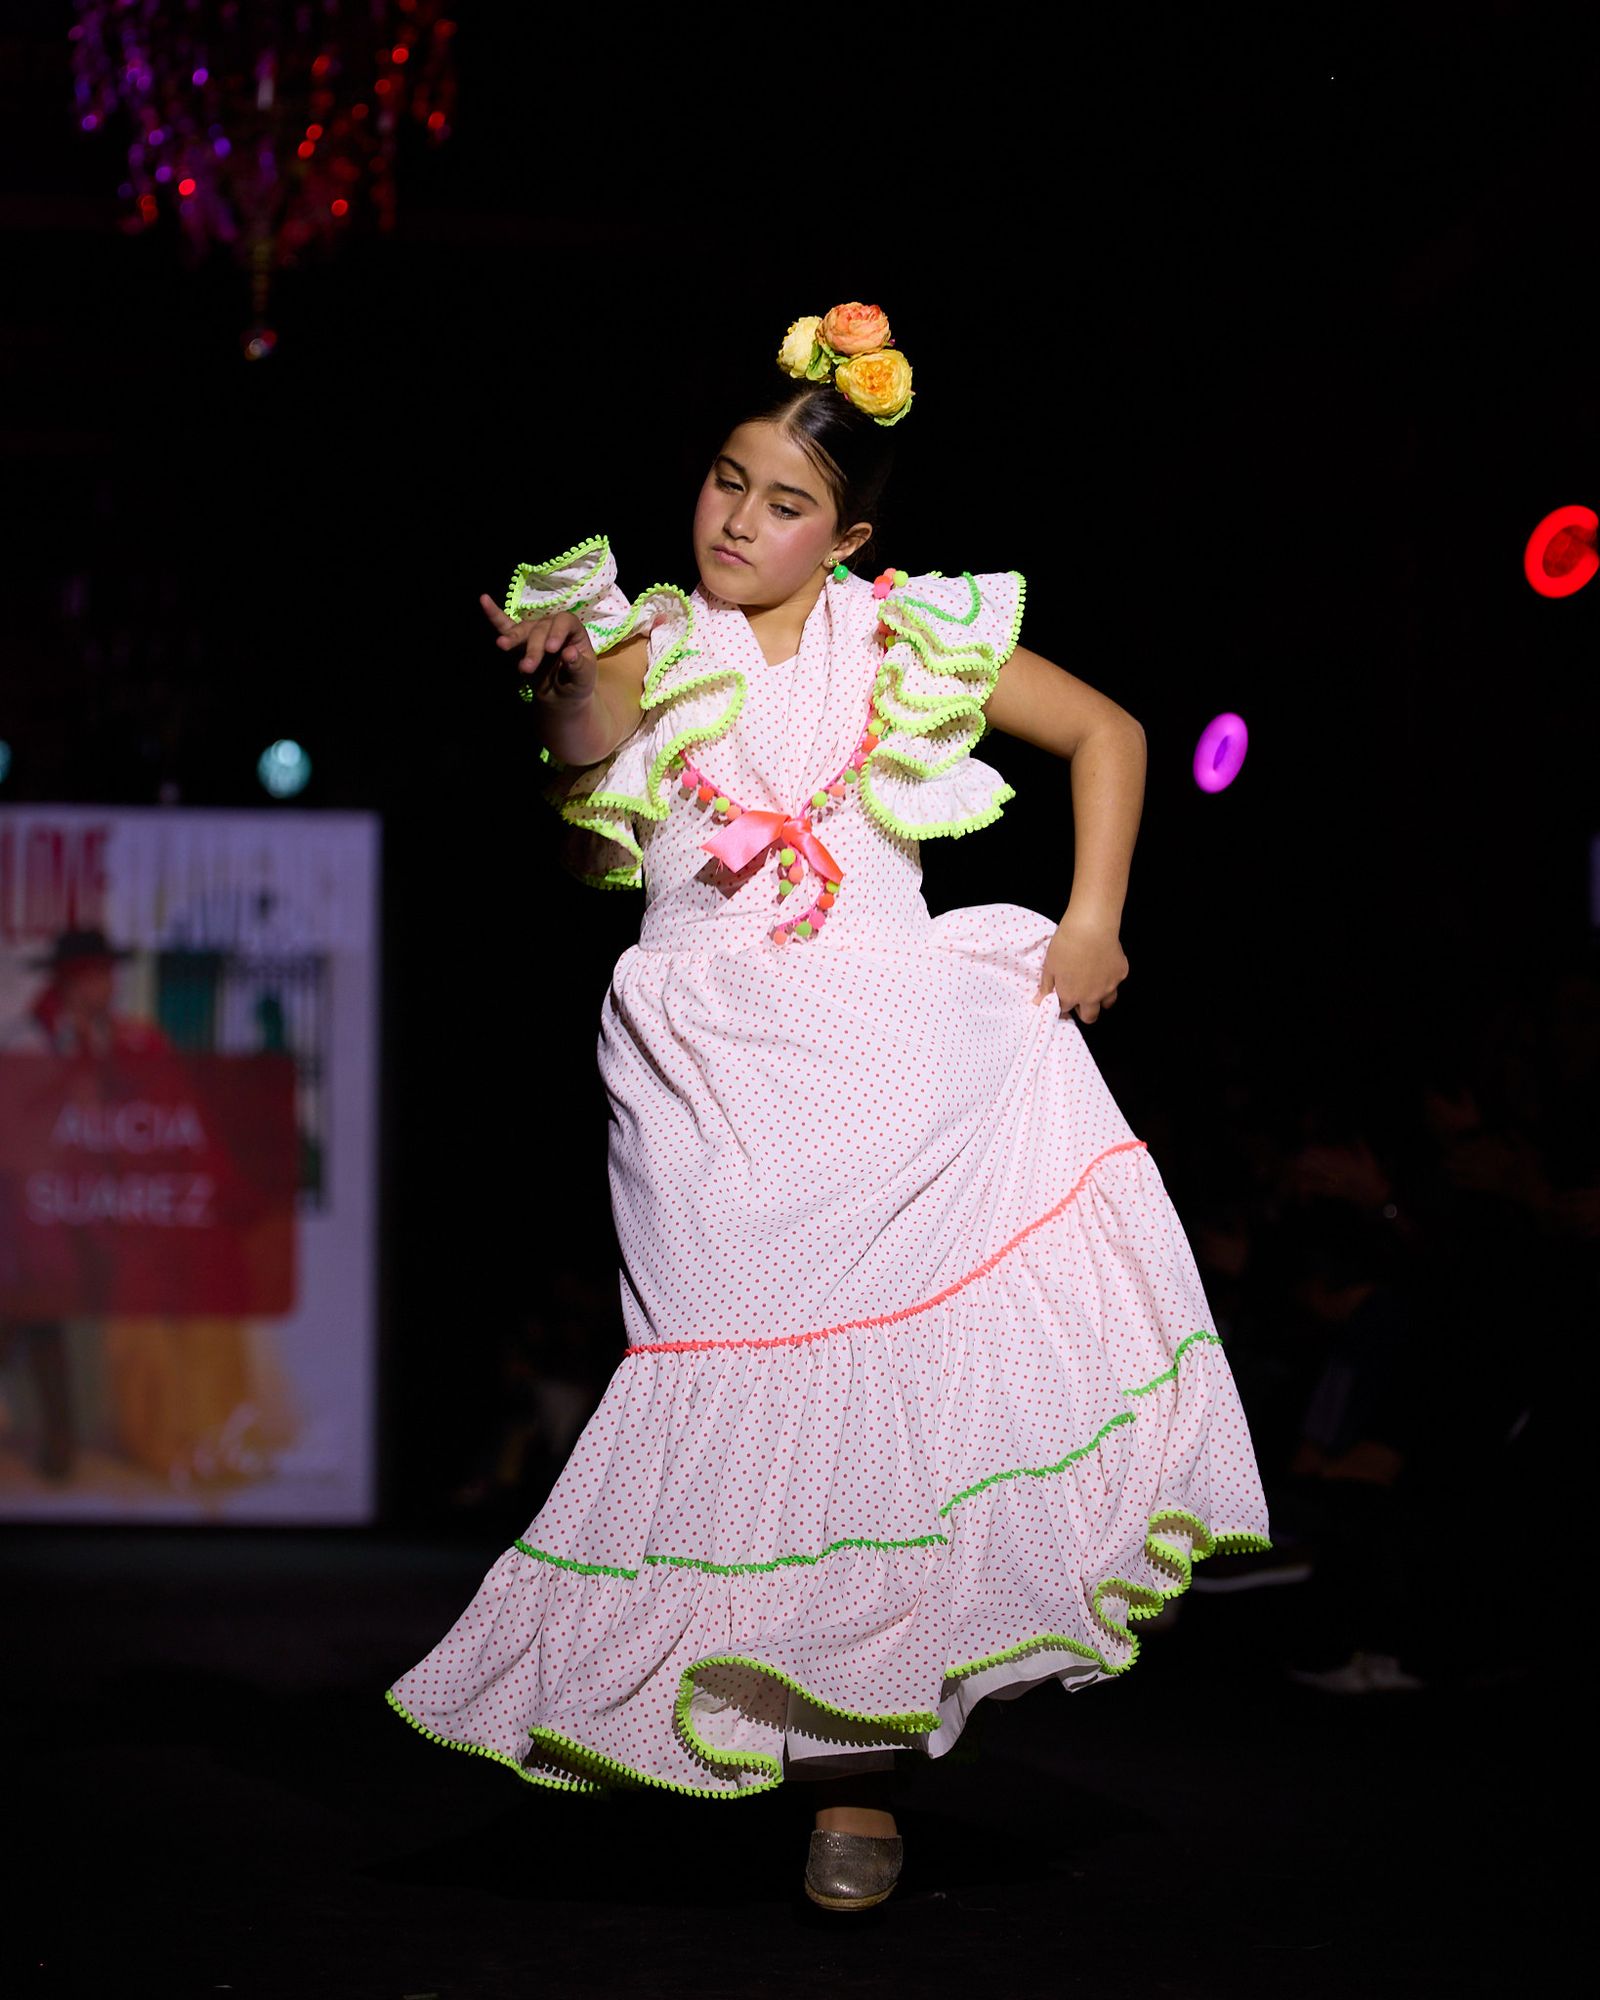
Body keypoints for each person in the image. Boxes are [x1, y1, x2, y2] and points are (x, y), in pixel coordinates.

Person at [387, 303, 1272, 1910]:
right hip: (707, 1072)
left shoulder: (903, 635)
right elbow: (586, 739)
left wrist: (1092, 919)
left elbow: (1110, 731)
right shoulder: (652, 632)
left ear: (848, 535)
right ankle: (733, 1704)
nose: (739, 519)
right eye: (728, 480)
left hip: (885, 1054)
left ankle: (853, 1781)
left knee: (875, 1409)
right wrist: (563, 677)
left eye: (784, 501)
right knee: (725, 1374)